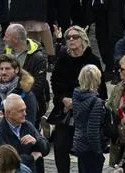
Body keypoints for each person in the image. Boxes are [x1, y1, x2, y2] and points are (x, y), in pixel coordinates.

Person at [49, 26, 106, 173]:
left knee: (84, 150)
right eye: (68, 37)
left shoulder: (93, 60)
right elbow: (55, 84)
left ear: (83, 40)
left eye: (75, 37)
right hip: (65, 111)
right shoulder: (62, 60)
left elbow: (100, 89)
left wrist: (79, 102)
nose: (71, 40)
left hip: (87, 112)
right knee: (60, 145)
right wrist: (63, 99)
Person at [0, 94, 48, 173]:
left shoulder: (27, 126)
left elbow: (46, 149)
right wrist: (31, 158)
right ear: (7, 114)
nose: (25, 114)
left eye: (25, 110)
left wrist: (37, 141)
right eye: (20, 111)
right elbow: (7, 161)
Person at [2, 24, 49, 120]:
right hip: (6, 101)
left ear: (15, 39)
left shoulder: (38, 57)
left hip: (27, 105)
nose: (3, 39)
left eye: (6, 36)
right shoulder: (8, 51)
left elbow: (38, 86)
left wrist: (17, 99)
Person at [0, 55, 38, 129]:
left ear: (16, 70)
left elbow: (30, 126)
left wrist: (6, 123)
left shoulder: (25, 94)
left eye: (7, 69)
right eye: (1, 69)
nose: (3, 72)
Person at [70, 64, 107, 173]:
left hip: (79, 143)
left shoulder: (76, 96)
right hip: (90, 147)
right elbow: (92, 130)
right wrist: (98, 151)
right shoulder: (96, 102)